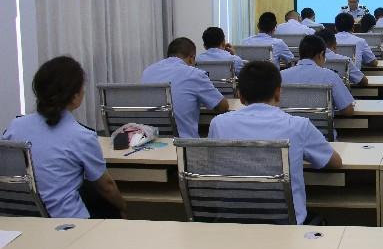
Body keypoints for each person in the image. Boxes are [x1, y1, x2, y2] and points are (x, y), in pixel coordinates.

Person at [208, 61, 343, 225]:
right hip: (285, 224)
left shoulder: (218, 124)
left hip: (231, 221)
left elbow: (214, 164)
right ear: (278, 93)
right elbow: (335, 162)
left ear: (240, 95)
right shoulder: (298, 125)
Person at [1, 56, 126, 219]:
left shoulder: (15, 126)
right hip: (66, 222)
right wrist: (124, 207)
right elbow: (107, 187)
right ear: (74, 97)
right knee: (106, 203)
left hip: (20, 218)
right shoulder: (82, 136)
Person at [142, 37, 229, 138]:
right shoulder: (194, 74)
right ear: (191, 58)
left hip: (151, 140)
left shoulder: (147, 71)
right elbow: (223, 107)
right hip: (184, 143)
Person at [280, 35, 355, 116]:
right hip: (320, 124)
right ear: (321, 54)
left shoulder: (281, 76)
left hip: (288, 124)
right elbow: (348, 110)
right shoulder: (330, 76)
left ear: (300, 53)